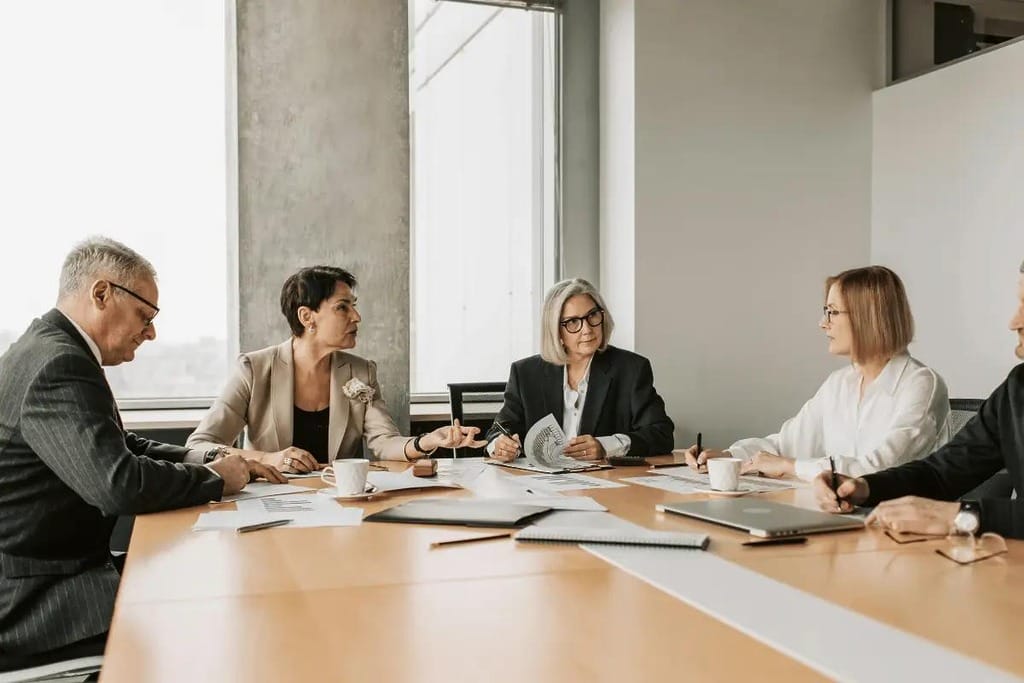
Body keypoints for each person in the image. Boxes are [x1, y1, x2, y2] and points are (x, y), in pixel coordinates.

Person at [0, 237, 280, 662]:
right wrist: (215, 480)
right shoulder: (59, 363)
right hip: (38, 595)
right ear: (101, 294)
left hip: (52, 568)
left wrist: (203, 456)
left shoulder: (46, 348)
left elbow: (118, 444)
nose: (151, 332)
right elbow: (118, 485)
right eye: (145, 316)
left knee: (196, 576)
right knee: (217, 613)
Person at [187, 266, 484, 472]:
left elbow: (384, 443)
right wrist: (268, 459)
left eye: (353, 305)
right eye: (343, 307)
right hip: (266, 506)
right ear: (307, 317)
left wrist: (428, 440)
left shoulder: (362, 372)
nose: (357, 316)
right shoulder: (254, 368)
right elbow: (201, 445)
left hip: (339, 506)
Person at [816, 260, 1024, 539]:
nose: (1013, 323)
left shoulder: (921, 382)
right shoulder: (1017, 389)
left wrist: (960, 516)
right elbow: (941, 473)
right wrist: (865, 487)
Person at [685, 266, 950, 480]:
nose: (822, 323)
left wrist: (791, 467)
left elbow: (878, 470)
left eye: (832, 312)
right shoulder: (839, 383)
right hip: (838, 516)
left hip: (895, 528)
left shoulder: (920, 384)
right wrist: (729, 457)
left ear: (868, 318)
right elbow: (785, 445)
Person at [487, 278, 674, 462]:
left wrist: (606, 446)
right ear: (556, 331)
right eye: (573, 322)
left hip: (605, 485)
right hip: (540, 485)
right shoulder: (526, 373)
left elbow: (661, 434)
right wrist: (499, 444)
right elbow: (500, 429)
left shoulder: (631, 369)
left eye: (592, 315)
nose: (587, 329)